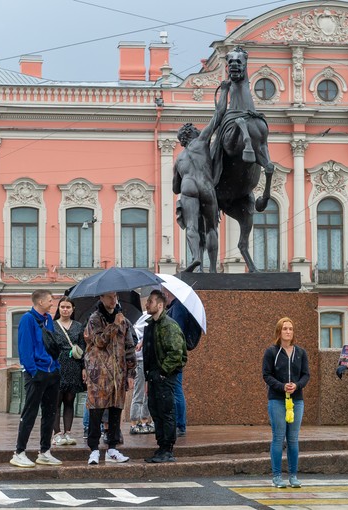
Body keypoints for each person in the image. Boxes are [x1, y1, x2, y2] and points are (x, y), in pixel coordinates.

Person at [173, 79, 230, 273]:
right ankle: (212, 268)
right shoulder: (201, 141)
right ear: (192, 134)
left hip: (188, 186)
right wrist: (224, 90)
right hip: (205, 186)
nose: (199, 130)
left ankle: (196, 257)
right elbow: (218, 115)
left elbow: (175, 187)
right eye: (196, 130)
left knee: (191, 226)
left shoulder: (179, 159)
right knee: (211, 228)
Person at [10, 290, 63, 468]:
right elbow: (25, 348)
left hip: (52, 372)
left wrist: (56, 366)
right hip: (37, 373)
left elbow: (51, 345)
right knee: (30, 413)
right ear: (40, 302)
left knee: (50, 413)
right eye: (50, 300)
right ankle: (19, 452)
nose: (52, 303)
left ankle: (45, 452)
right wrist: (33, 371)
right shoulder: (27, 319)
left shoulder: (48, 320)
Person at [83, 291, 136, 465]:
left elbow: (129, 347)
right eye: (109, 297)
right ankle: (94, 450)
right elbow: (99, 341)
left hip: (118, 374)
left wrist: (131, 373)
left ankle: (112, 448)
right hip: (99, 374)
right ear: (101, 298)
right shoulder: (94, 319)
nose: (113, 300)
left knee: (115, 410)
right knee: (96, 411)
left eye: (115, 297)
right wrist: (114, 325)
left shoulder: (123, 320)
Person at [262, 317, 310, 489]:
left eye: (290, 329)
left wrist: (297, 385)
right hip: (277, 399)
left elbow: (306, 375)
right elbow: (266, 375)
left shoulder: (300, 352)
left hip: (296, 400)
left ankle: (293, 476)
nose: (288, 331)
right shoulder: (271, 352)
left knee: (293, 438)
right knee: (278, 437)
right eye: (285, 329)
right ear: (279, 331)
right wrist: (282, 386)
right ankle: (276, 476)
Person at [143, 290, 187, 463]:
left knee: (166, 412)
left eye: (150, 302)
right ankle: (161, 447)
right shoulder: (152, 325)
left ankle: (168, 449)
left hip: (164, 376)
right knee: (156, 411)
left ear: (160, 305)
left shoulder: (169, 326)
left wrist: (163, 372)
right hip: (153, 375)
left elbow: (176, 353)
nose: (147, 304)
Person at [163, 288, 200, 437]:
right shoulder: (174, 307)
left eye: (162, 293)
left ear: (167, 293)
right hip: (174, 354)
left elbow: (176, 332)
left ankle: (180, 425)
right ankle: (177, 424)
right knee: (174, 389)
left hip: (175, 355)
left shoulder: (177, 308)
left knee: (176, 389)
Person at [52, 296, 86, 447]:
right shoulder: (52, 325)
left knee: (69, 401)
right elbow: (48, 346)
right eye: (62, 307)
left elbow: (83, 347)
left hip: (74, 365)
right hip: (57, 365)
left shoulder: (78, 326)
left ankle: (68, 433)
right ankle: (57, 434)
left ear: (73, 309)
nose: (65, 310)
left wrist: (84, 367)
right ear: (58, 308)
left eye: (68, 307)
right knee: (56, 401)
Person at [129, 312, 154, 435]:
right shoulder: (145, 318)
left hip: (147, 359)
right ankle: (134, 423)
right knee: (139, 393)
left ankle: (143, 421)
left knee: (146, 393)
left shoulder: (143, 318)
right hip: (141, 360)